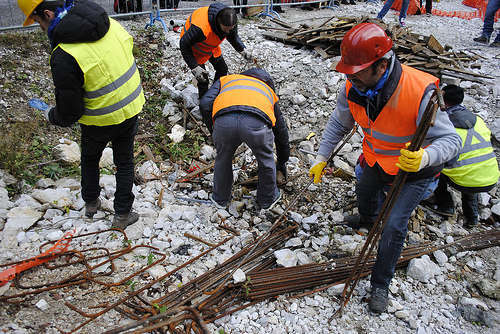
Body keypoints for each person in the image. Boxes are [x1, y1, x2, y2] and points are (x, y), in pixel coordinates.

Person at [308, 23, 461, 313]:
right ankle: (367, 219)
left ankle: (381, 284)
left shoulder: (420, 90)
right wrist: (321, 157)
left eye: (357, 70)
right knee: (364, 189)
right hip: (377, 161)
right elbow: (339, 123)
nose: (350, 76)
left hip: (415, 171)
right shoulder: (354, 86)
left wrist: (425, 157)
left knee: (393, 225)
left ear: (381, 65)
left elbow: (451, 140)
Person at [17, 0, 144, 229]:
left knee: (89, 158)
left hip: (99, 120)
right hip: (131, 107)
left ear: (47, 14)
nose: (40, 29)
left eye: (38, 22)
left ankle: (92, 204)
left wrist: (50, 114)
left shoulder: (64, 54)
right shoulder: (110, 24)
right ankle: (122, 216)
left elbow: (70, 113)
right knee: (124, 162)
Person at [199, 68, 290, 210]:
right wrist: (282, 161)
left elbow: (205, 103)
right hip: (256, 123)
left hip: (224, 122)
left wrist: (213, 129)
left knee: (223, 158)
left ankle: (220, 199)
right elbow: (281, 131)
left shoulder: (226, 80)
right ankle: (267, 199)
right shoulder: (267, 91)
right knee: (266, 160)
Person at [422, 85, 499, 228]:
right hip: (490, 176)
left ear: (442, 100)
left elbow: (438, 154)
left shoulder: (445, 126)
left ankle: (446, 205)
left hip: (467, 179)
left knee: (434, 164)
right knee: (471, 180)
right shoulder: (478, 120)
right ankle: (472, 220)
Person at [180, 2, 254, 101]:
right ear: (218, 23)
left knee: (222, 69)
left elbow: (233, 37)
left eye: (230, 29)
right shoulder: (200, 28)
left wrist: (243, 50)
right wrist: (194, 67)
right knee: (203, 79)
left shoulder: (230, 21)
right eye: (225, 29)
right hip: (194, 48)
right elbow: (184, 45)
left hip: (210, 45)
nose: (228, 32)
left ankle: (215, 95)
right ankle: (204, 105)